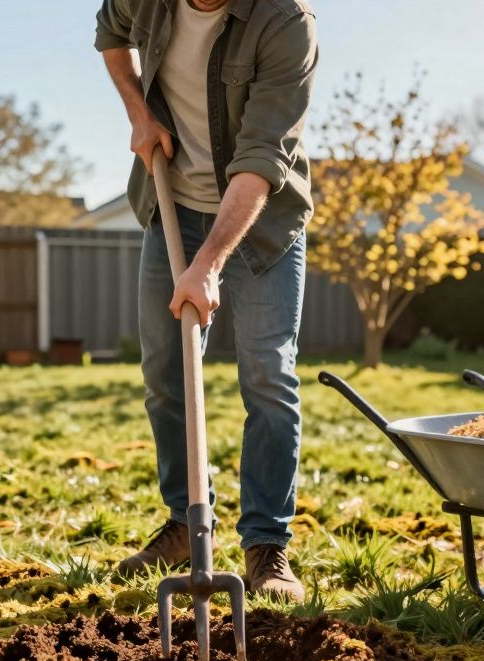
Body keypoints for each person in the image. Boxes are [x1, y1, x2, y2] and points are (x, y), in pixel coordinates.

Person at [95, 0, 318, 601]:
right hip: (170, 203)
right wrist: (139, 112)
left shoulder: (285, 23)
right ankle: (182, 524)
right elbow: (109, 33)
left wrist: (209, 263)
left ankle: (266, 546)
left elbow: (262, 158)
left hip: (260, 222)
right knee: (165, 375)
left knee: (269, 375)